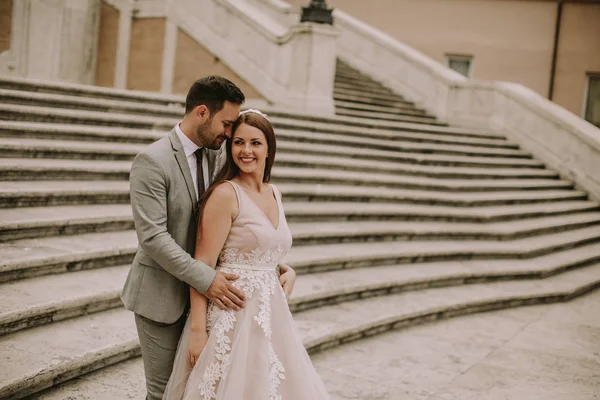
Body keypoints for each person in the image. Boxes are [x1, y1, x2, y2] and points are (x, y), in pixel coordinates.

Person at [121, 76, 297, 400]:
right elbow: (153, 238)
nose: (230, 135)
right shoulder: (152, 161)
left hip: (210, 301)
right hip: (162, 297)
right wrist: (206, 279)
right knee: (164, 394)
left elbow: (236, 224)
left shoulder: (218, 154)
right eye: (227, 124)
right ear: (202, 112)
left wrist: (273, 265)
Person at [163, 109, 330, 399]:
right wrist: (198, 330)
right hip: (231, 318)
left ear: (269, 149)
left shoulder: (274, 192)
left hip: (271, 317)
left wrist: (286, 270)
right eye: (238, 142)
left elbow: (261, 249)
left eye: (255, 143)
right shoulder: (225, 194)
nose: (246, 150)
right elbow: (202, 264)